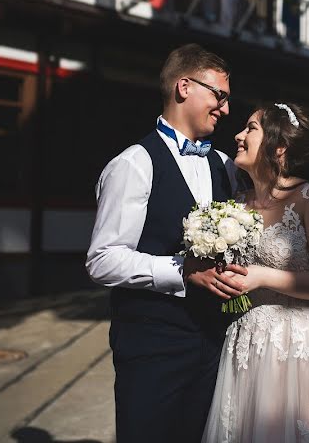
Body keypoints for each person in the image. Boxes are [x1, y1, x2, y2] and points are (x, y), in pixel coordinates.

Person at [85, 44, 248, 443]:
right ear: (184, 87)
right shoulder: (133, 164)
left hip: (213, 341)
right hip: (151, 345)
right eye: (219, 96)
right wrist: (181, 270)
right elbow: (102, 260)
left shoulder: (227, 165)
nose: (225, 110)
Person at [202, 103, 309, 442]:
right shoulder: (235, 206)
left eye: (250, 128)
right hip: (246, 344)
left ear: (279, 147)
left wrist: (262, 276)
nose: (238, 135)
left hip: (301, 346)